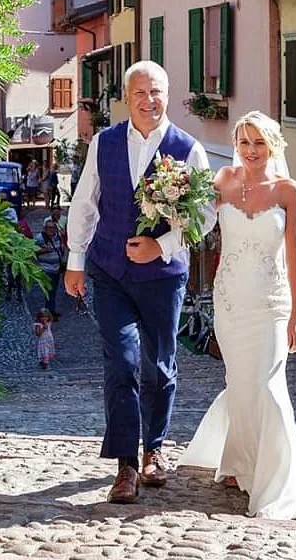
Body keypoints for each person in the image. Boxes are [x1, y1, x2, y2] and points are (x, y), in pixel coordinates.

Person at [64, 60, 215, 504]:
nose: (150, 101)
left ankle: (155, 449)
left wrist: (162, 245)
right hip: (110, 272)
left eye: (157, 92)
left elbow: (203, 215)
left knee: (159, 365)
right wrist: (75, 260)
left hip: (163, 278)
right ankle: (125, 465)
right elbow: (86, 201)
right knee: (122, 364)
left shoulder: (188, 148)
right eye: (140, 94)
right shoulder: (105, 143)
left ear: (167, 95)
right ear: (126, 99)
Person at [178, 111, 296, 519]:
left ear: (273, 146)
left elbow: (294, 253)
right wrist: (169, 201)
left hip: (272, 304)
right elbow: (196, 224)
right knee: (239, 382)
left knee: (269, 387)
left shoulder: (288, 190)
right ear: (235, 145)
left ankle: (274, 480)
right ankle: (239, 463)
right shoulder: (221, 182)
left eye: (259, 143)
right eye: (244, 142)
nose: (251, 151)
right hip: (230, 301)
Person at [36, 219, 65, 320]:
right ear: (45, 228)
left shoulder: (58, 236)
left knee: (53, 291)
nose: (51, 230)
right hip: (46, 269)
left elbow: (60, 248)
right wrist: (44, 250)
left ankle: (51, 311)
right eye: (49, 228)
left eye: (53, 227)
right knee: (49, 291)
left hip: (56, 269)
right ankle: (49, 314)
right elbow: (33, 252)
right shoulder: (40, 238)